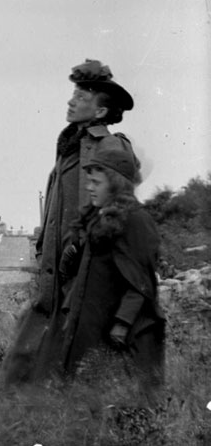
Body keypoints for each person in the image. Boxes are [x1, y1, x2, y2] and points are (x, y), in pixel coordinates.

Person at [3, 59, 138, 385]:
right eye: (73, 93)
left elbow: (116, 210)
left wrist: (78, 249)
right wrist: (42, 251)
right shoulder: (71, 148)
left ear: (101, 112)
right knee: (26, 363)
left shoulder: (109, 146)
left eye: (81, 96)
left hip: (83, 276)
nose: (71, 101)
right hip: (55, 279)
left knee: (74, 369)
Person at [58, 137, 165, 390]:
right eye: (89, 181)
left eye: (96, 182)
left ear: (116, 185)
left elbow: (140, 282)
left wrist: (122, 324)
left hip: (119, 331)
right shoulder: (98, 219)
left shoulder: (136, 220)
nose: (89, 188)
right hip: (91, 322)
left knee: (120, 398)